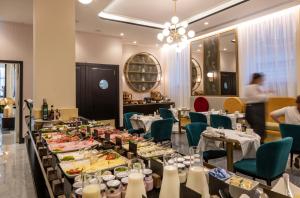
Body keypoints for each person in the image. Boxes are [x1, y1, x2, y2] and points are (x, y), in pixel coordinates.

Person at [270, 95, 300, 168]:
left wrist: (281, 124)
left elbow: (272, 114)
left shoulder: (287, 109)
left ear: (296, 102)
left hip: (288, 142)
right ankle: (299, 157)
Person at [244, 73, 271, 143]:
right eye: (261, 79)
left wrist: (265, 94)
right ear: (257, 79)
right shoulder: (253, 86)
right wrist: (267, 94)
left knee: (256, 129)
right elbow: (258, 98)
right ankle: (258, 148)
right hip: (256, 110)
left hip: (251, 109)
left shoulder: (251, 86)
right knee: (258, 130)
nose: (262, 81)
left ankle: (257, 146)